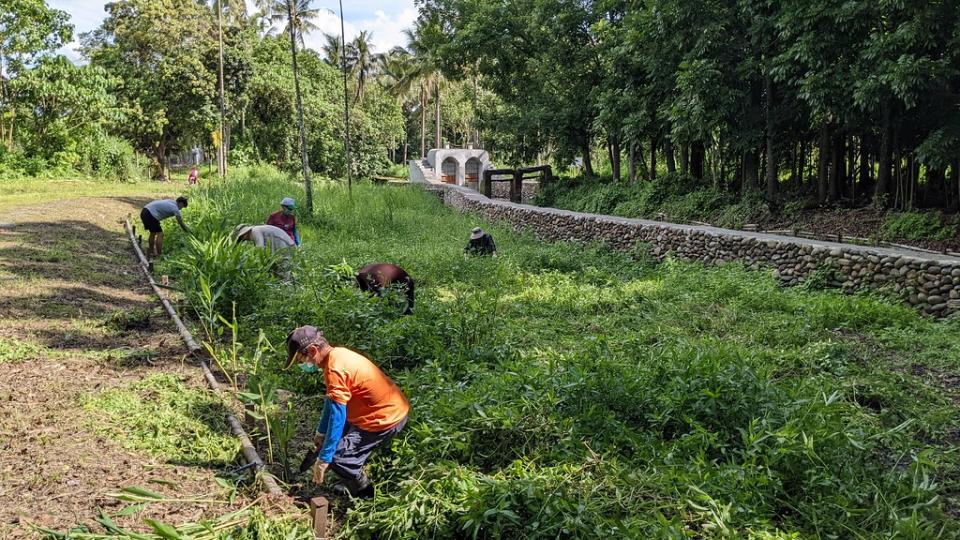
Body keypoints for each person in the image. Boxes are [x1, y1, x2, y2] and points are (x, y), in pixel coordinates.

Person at [286, 325, 409, 499]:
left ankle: (365, 493)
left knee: (337, 457)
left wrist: (325, 458)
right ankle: (348, 474)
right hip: (379, 407)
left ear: (313, 351)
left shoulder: (335, 369)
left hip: (385, 418)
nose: (303, 365)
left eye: (301, 360)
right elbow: (331, 402)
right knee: (332, 442)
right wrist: (321, 433)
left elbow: (337, 416)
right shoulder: (337, 355)